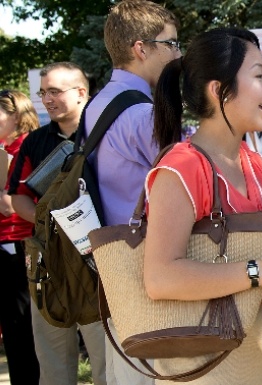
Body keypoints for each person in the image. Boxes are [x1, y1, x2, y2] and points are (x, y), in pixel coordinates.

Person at [144, 26, 262, 384]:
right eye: (259, 76)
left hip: (254, 357)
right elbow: (159, 277)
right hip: (198, 367)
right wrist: (259, 272)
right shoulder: (183, 166)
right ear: (219, 90)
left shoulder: (253, 163)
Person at [83, 1, 180, 384]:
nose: (178, 54)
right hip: (148, 270)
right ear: (142, 48)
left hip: (113, 263)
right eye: (171, 44)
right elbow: (189, 179)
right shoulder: (142, 114)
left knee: (126, 371)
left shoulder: (98, 103)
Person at [8, 62, 109, 385]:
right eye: (43, 93)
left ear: (81, 93)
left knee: (108, 362)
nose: (46, 99)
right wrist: (50, 225)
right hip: (48, 264)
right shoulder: (33, 141)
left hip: (97, 262)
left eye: (54, 91)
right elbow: (18, 197)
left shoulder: (106, 133)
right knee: (52, 364)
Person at [0, 89, 40, 385]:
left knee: (21, 327)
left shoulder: (27, 147)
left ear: (15, 115)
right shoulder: (3, 147)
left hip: (19, 243)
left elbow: (11, 204)